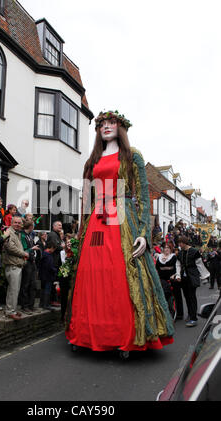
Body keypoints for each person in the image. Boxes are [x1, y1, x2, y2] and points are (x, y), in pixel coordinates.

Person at [65, 110, 174, 353]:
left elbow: (144, 197)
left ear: (120, 126)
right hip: (97, 220)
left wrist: (144, 231)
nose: (106, 126)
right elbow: (86, 198)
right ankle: (87, 331)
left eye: (111, 122)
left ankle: (124, 334)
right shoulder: (92, 160)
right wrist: (80, 230)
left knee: (119, 273)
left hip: (122, 217)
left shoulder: (132, 155)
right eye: (102, 123)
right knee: (92, 272)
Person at [2, 216, 28, 320]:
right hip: (12, 265)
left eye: (19, 223)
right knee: (13, 289)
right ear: (11, 223)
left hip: (16, 265)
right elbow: (10, 247)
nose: (17, 224)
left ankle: (12, 310)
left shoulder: (17, 233)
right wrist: (24, 254)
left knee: (14, 289)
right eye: (15, 222)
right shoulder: (9, 232)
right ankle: (10, 311)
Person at [175, 236, 203, 327]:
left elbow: (200, 264)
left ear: (185, 243)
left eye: (180, 243)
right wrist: (178, 275)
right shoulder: (180, 253)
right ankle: (190, 314)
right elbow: (178, 264)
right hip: (184, 278)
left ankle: (194, 318)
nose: (179, 245)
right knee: (186, 297)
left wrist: (204, 276)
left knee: (192, 297)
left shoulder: (194, 252)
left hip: (192, 277)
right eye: (178, 243)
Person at [155, 242, 181, 318]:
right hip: (161, 278)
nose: (166, 249)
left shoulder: (173, 257)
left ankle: (176, 312)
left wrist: (175, 275)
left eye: (168, 248)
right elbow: (156, 268)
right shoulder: (159, 256)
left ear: (170, 249)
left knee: (176, 294)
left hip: (172, 278)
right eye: (165, 247)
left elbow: (177, 267)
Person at [19, 221, 40, 314]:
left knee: (33, 284)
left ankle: (31, 305)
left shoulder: (30, 236)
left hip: (32, 262)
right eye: (33, 226)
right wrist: (32, 249)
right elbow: (23, 250)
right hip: (26, 262)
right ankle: (25, 306)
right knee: (26, 284)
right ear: (30, 227)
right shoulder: (22, 236)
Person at [47, 221, 65, 307]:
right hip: (52, 261)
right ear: (53, 226)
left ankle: (53, 300)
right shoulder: (52, 234)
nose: (60, 226)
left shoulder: (57, 235)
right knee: (51, 282)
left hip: (56, 261)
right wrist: (63, 247)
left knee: (54, 282)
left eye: (61, 225)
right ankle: (51, 301)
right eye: (58, 225)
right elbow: (55, 246)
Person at [38, 240, 57, 310]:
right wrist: (55, 270)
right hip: (48, 276)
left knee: (43, 289)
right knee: (47, 290)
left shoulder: (44, 253)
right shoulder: (48, 255)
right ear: (51, 248)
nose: (54, 251)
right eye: (54, 249)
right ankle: (46, 305)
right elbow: (50, 266)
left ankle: (41, 303)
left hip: (43, 275)